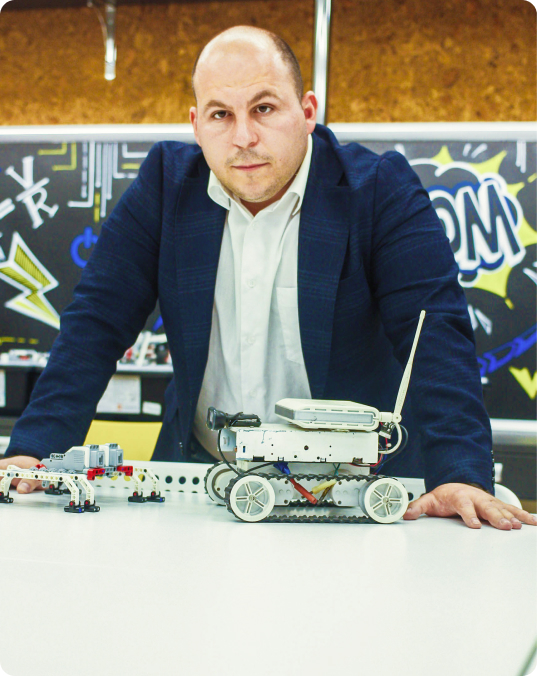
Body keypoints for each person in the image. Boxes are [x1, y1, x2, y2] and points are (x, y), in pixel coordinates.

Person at [1, 26, 535, 532]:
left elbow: (434, 331)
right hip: (203, 481)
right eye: (221, 114)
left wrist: (460, 472)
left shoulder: (378, 188)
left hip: (352, 489)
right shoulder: (165, 186)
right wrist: (33, 448)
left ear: (307, 111)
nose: (244, 137)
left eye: (264, 108)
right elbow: (95, 323)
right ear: (196, 125)